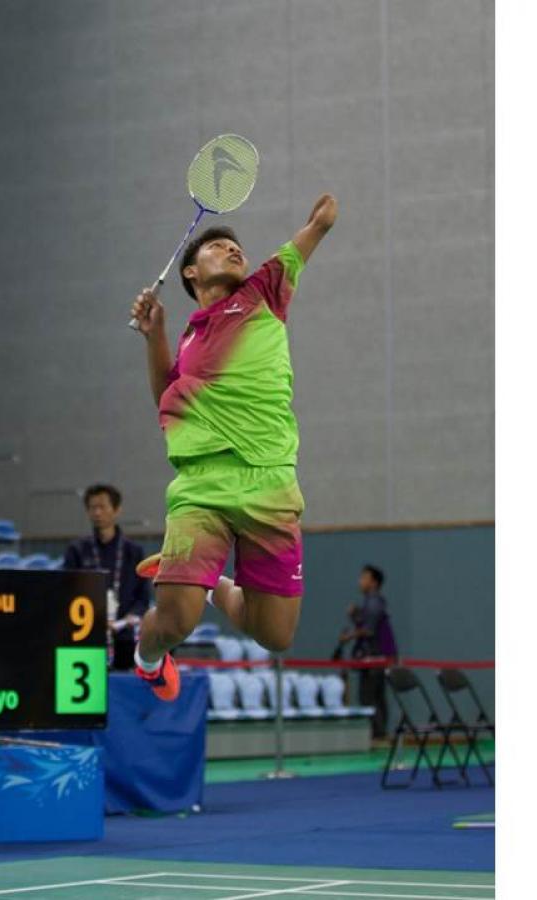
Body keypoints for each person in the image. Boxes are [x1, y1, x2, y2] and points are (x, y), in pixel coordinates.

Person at [125, 193, 338, 701]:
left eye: (235, 246)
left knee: (275, 635)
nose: (233, 250)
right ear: (190, 273)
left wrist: (321, 222)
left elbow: (310, 235)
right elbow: (169, 400)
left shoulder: (264, 292)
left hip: (271, 483)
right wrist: (155, 336)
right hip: (202, 486)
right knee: (175, 622)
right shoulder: (188, 340)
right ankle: (147, 658)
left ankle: (215, 585)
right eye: (218, 247)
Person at [63, 484, 151, 671]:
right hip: (86, 633)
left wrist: (128, 618)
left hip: (124, 636)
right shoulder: (77, 550)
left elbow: (143, 598)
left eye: (102, 507)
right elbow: (67, 591)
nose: (97, 512)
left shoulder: (134, 552)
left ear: (116, 510)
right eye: (92, 507)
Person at [337, 564, 396, 739]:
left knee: (368, 697)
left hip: (374, 658)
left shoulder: (373, 602)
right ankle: (380, 733)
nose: (360, 581)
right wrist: (356, 615)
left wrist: (347, 637)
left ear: (374, 582)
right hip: (379, 657)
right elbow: (367, 624)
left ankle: (377, 734)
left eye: (364, 578)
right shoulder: (373, 602)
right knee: (377, 696)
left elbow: (368, 630)